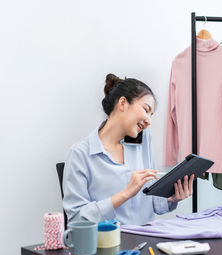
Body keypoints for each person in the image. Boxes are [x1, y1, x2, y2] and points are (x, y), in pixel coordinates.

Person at [63, 74, 194, 225]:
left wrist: (173, 197)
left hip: (145, 240)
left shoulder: (143, 142)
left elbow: (152, 203)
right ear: (123, 103)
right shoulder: (80, 154)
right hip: (107, 244)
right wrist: (126, 193)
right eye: (146, 110)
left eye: (151, 115)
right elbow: (76, 219)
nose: (149, 121)